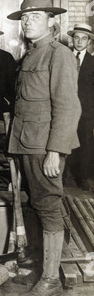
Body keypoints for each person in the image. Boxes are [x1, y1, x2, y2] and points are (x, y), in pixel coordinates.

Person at [7, 0, 81, 296]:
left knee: (49, 207)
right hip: (27, 144)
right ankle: (43, 270)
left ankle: (50, 279)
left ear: (51, 21)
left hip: (44, 148)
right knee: (37, 207)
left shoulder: (58, 54)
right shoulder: (31, 53)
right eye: (24, 17)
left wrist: (55, 150)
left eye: (35, 16)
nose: (27, 22)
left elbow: (67, 107)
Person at [66, 24, 94, 191]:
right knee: (64, 142)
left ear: (89, 42)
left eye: (84, 39)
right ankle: (62, 177)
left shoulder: (93, 62)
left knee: (85, 144)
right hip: (66, 110)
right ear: (72, 39)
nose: (79, 41)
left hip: (86, 112)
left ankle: (82, 177)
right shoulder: (64, 57)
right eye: (76, 38)